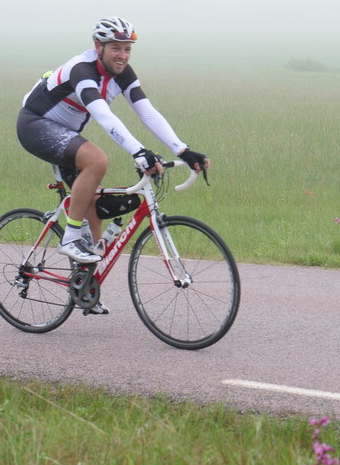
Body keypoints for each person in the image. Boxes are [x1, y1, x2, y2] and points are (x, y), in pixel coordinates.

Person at [16, 16, 210, 275]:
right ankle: (70, 238)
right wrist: (138, 151)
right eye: (116, 48)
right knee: (97, 160)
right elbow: (103, 115)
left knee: (93, 206)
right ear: (99, 46)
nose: (123, 55)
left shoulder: (122, 73)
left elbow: (147, 112)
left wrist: (183, 150)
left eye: (127, 49)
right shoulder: (82, 70)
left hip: (66, 133)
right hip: (35, 125)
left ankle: (85, 284)